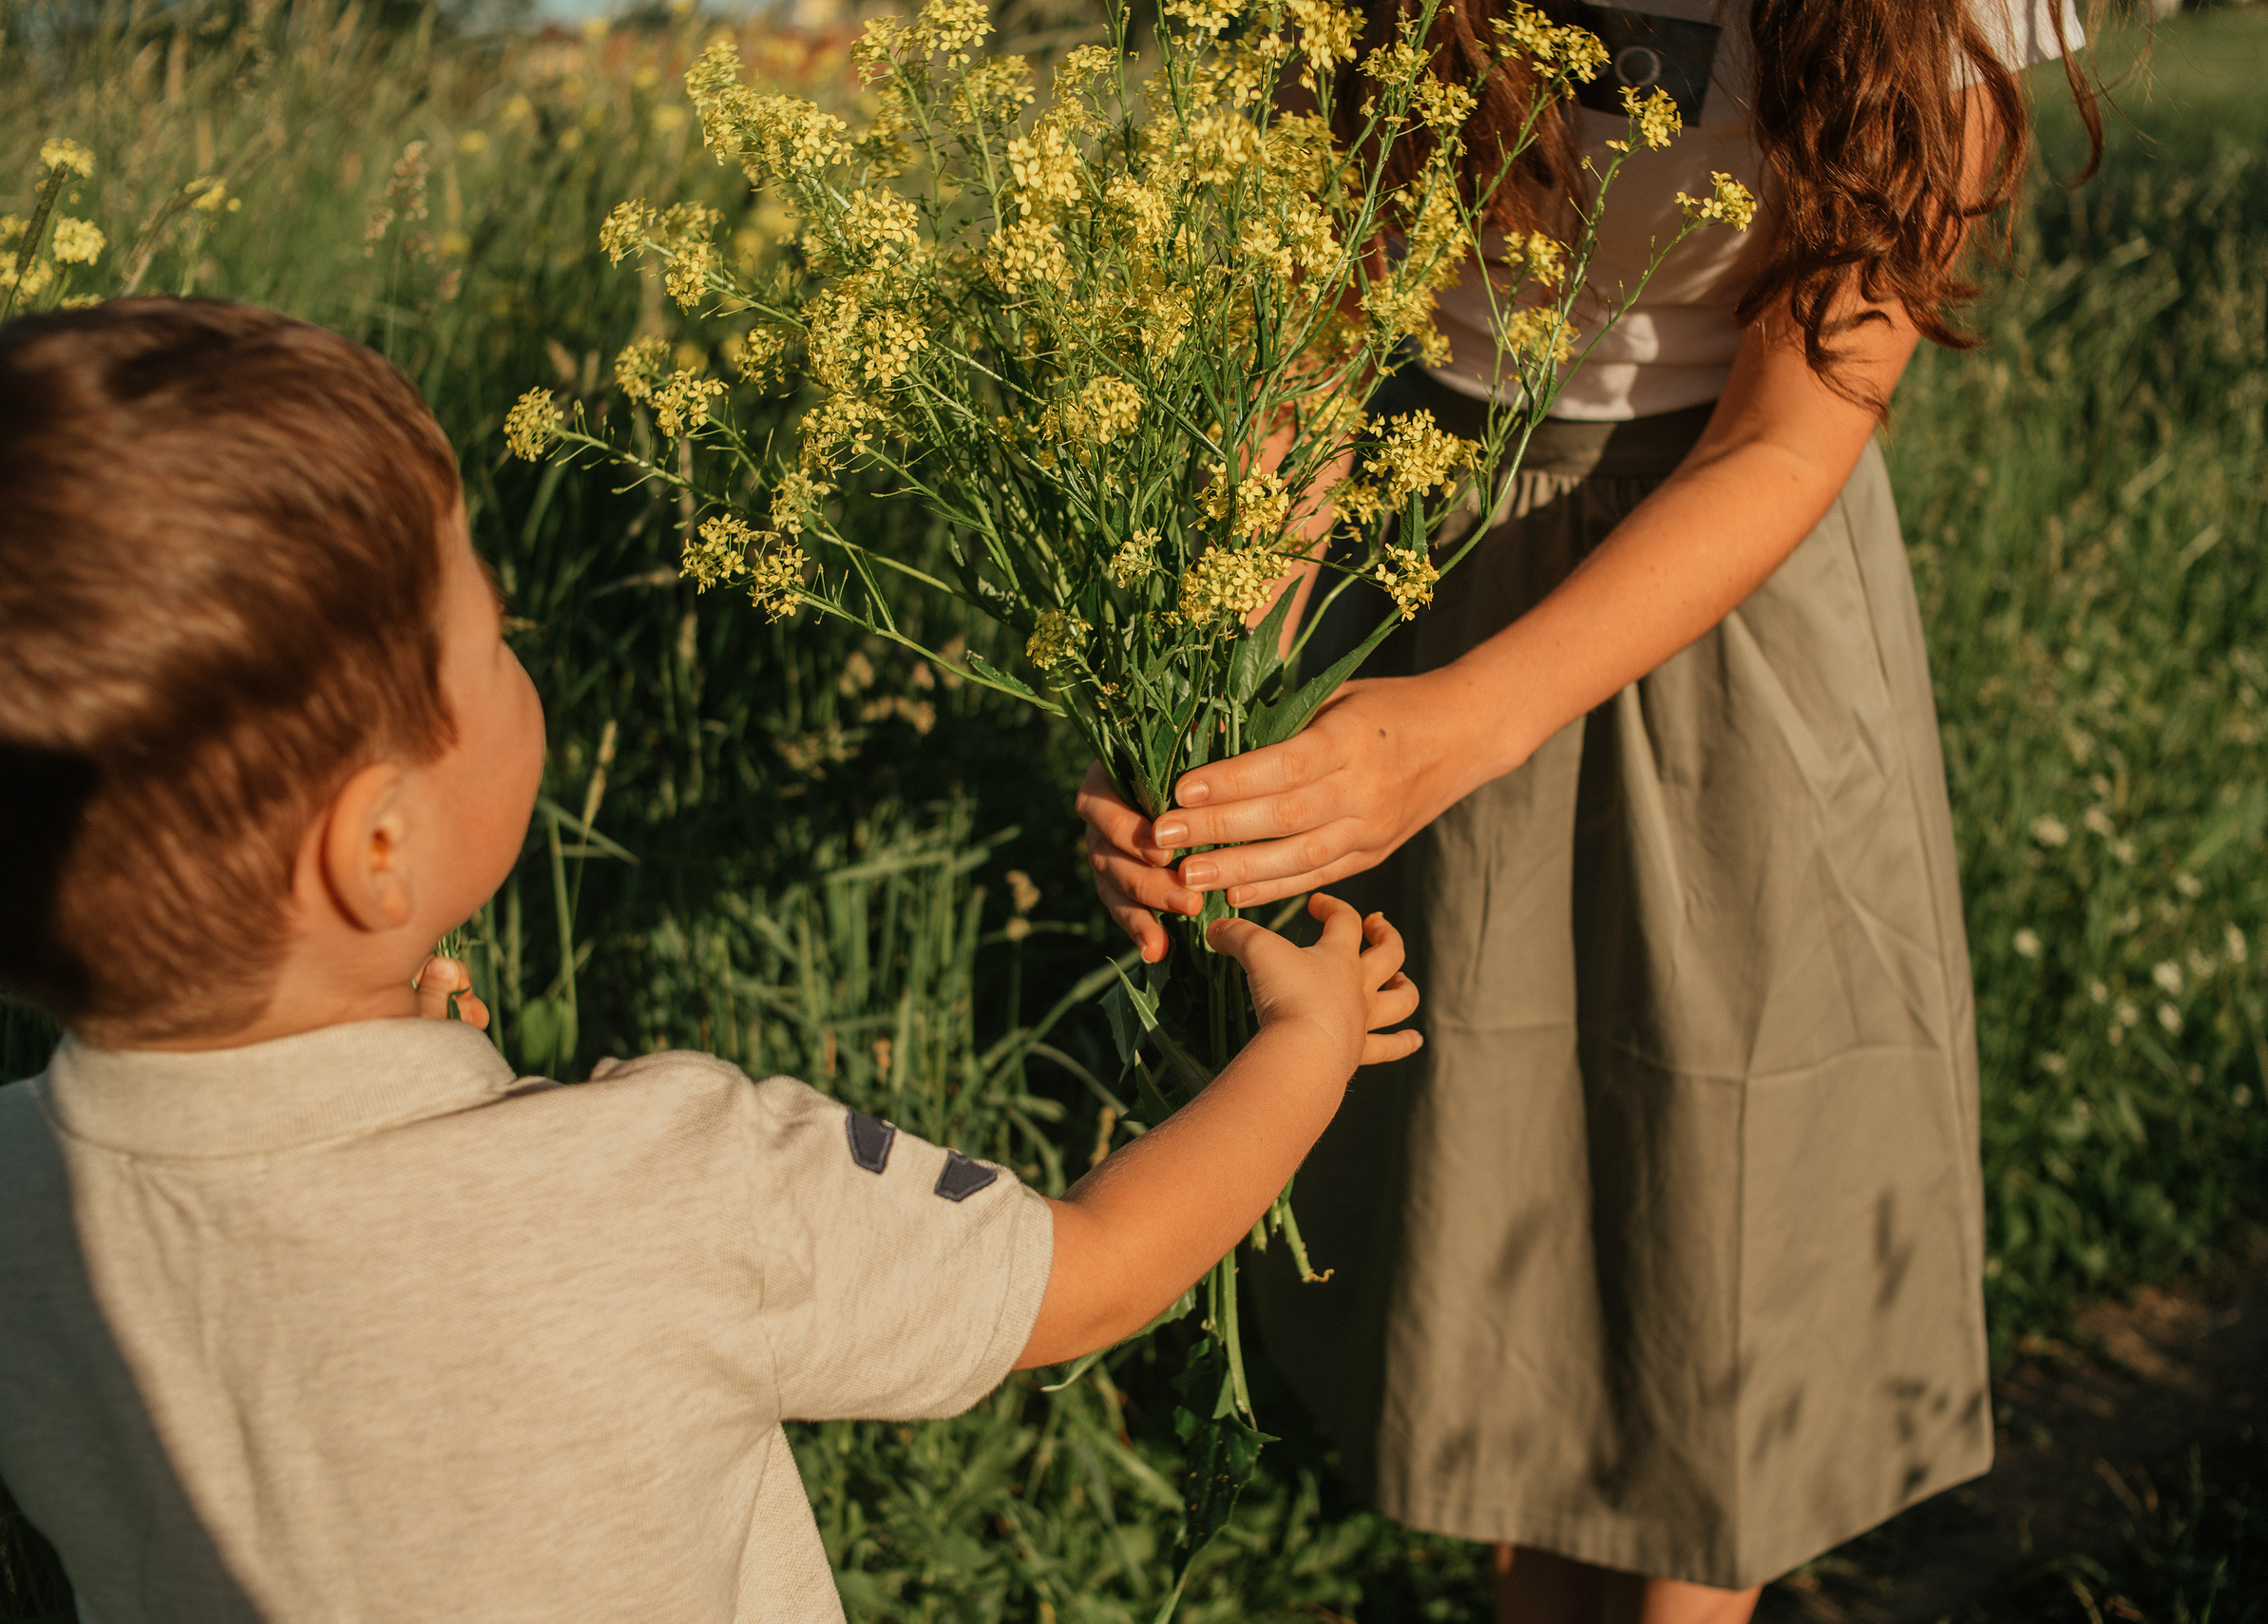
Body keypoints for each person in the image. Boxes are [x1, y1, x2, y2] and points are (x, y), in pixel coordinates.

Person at [0, 297, 1420, 1622]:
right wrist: (1307, 1046)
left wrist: (361, 1021)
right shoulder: (662, 1183)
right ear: (378, 857)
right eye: (490, 641)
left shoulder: (24, 1198)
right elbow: (1096, 1272)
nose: (519, 659)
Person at [1078, 3, 2101, 1618]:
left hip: (1717, 602)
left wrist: (1452, 731)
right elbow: (1319, 347)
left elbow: (1785, 435)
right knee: (1505, 1246)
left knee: (1717, 1237)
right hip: (1420, 563)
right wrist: (1207, 715)